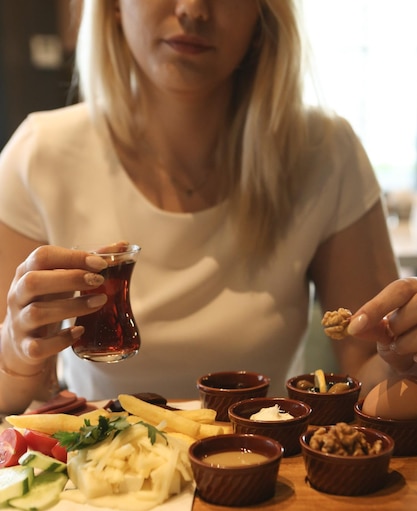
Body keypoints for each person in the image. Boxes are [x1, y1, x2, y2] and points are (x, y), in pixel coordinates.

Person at [0, 0, 415, 416]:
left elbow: (370, 377)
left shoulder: (325, 154)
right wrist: (16, 360)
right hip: (111, 471)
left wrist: (405, 359)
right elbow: (15, 399)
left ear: (263, 16)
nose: (193, 9)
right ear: (112, 7)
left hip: (267, 467)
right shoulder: (39, 157)